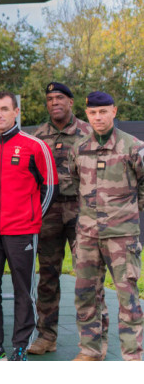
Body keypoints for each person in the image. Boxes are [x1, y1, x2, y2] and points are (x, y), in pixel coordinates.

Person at [0, 90, 56, 361]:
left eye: (5, 109)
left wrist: (31, 220)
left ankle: (20, 346)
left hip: (22, 232)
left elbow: (50, 187)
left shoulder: (35, 146)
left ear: (17, 112)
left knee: (23, 290)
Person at [29, 82, 107, 356]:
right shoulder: (38, 136)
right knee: (47, 275)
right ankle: (46, 336)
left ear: (71, 102)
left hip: (81, 210)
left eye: (60, 97)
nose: (54, 102)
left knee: (88, 275)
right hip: (48, 211)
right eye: (49, 98)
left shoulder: (89, 132)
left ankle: (95, 341)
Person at [69, 91, 144, 361]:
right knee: (86, 294)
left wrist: (127, 213)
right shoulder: (78, 148)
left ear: (114, 111)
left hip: (122, 238)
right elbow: (76, 184)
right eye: (92, 113)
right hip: (87, 235)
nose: (98, 117)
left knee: (128, 298)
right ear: (86, 115)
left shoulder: (133, 147)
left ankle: (132, 357)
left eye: (103, 112)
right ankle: (90, 350)